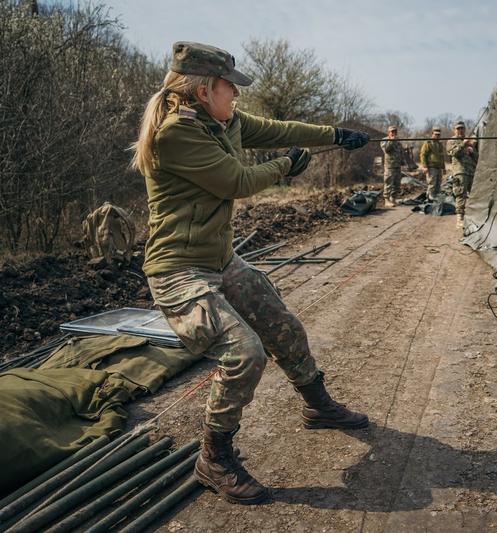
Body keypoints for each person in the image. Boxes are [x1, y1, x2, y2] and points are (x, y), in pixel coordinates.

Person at [131, 42, 371, 505]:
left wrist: (335, 135)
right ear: (204, 89)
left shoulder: (224, 121)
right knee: (244, 353)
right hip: (178, 270)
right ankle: (214, 457)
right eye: (230, 88)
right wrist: (287, 166)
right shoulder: (175, 133)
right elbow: (236, 181)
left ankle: (318, 406)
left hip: (220, 261)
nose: (236, 97)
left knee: (283, 325)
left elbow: (278, 128)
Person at [446, 120, 479, 228]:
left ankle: (473, 217)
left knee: (474, 195)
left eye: (462, 128)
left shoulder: (470, 142)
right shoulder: (452, 141)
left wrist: (472, 151)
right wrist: (462, 144)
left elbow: (477, 158)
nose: (460, 130)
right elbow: (452, 153)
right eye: (458, 129)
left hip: (471, 171)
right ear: (454, 130)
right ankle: (460, 218)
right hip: (460, 171)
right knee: (460, 194)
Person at [419, 127, 445, 200]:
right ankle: (430, 197)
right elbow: (423, 154)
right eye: (436, 134)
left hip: (438, 167)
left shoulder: (440, 144)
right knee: (432, 183)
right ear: (432, 134)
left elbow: (441, 156)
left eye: (438, 135)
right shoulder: (428, 143)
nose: (437, 136)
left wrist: (443, 167)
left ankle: (435, 197)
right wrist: (424, 166)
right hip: (431, 166)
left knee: (438, 183)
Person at [380, 125, 403, 206]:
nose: (393, 133)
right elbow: (386, 149)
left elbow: (401, 152)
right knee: (388, 182)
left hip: (397, 165)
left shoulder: (398, 141)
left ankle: (393, 199)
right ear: (388, 132)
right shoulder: (384, 140)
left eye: (394, 131)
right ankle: (387, 200)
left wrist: (402, 161)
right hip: (389, 165)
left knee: (397, 183)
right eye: (392, 131)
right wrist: (391, 140)